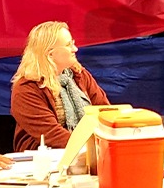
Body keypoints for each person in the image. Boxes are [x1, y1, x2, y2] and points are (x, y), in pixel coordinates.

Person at [11, 21, 110, 152]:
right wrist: (92, 147)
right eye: (68, 45)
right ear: (50, 54)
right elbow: (51, 134)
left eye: (73, 43)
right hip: (43, 157)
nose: (75, 49)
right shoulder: (26, 88)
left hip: (87, 150)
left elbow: (105, 112)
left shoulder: (79, 74)